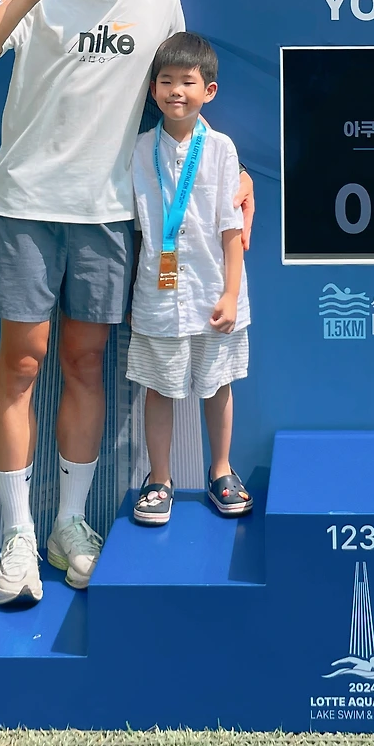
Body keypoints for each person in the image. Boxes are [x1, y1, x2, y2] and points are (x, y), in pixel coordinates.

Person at [0, 0, 253, 608]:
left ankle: (68, 525)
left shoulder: (162, 3)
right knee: (23, 365)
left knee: (85, 366)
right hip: (25, 205)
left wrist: (231, 169)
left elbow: (180, 95)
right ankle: (17, 536)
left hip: (109, 214)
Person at [128, 32, 252, 527]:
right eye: (166, 81)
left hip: (212, 292)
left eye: (187, 82)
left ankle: (221, 470)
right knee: (159, 388)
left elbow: (231, 230)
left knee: (217, 385)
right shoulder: (140, 149)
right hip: (157, 293)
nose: (176, 91)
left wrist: (231, 293)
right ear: (152, 89)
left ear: (209, 91)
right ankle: (159, 478)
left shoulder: (220, 149)